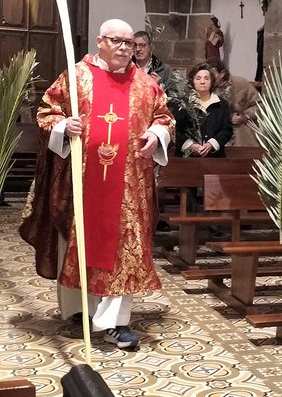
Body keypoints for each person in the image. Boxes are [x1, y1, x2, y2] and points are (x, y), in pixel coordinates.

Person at [20, 20, 175, 351]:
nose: (124, 48)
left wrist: (157, 134)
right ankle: (81, 309)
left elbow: (165, 118)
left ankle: (115, 323)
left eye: (129, 43)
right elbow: (47, 112)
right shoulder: (76, 77)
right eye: (116, 41)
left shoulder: (146, 84)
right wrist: (64, 125)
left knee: (125, 248)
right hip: (81, 180)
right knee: (79, 241)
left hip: (129, 186)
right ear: (100, 41)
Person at [175, 62, 233, 157]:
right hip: (187, 157)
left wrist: (211, 144)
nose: (202, 82)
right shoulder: (183, 104)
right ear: (192, 81)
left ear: (212, 82)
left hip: (214, 157)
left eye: (206, 78)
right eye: (198, 78)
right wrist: (190, 145)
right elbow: (175, 129)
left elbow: (227, 129)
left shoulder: (222, 104)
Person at [133, 30, 183, 111]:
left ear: (151, 47)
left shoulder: (164, 70)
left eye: (142, 45)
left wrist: (160, 87)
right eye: (135, 45)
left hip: (155, 114)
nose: (138, 49)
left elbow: (175, 100)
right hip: (132, 113)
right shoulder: (126, 68)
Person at [212, 66, 259, 146]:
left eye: (212, 74)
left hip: (241, 137)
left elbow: (259, 105)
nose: (210, 78)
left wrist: (244, 116)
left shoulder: (241, 84)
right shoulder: (205, 87)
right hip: (215, 139)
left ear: (222, 73)